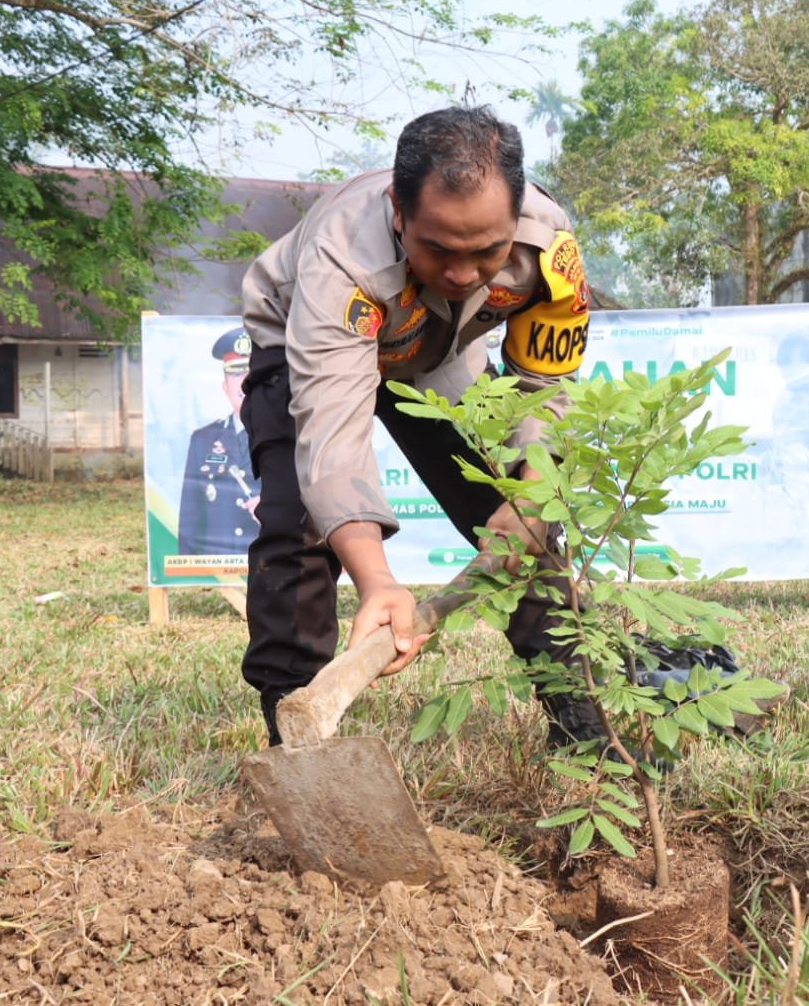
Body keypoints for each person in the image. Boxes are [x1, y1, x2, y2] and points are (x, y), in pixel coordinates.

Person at [239, 105, 602, 749]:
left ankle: (582, 723)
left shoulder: (551, 251)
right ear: (399, 212)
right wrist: (377, 581)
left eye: (485, 252)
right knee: (298, 528)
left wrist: (534, 489)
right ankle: (296, 729)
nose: (463, 275)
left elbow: (544, 388)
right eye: (438, 249)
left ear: (515, 219)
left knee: (522, 521)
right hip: (303, 342)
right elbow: (332, 441)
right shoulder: (342, 258)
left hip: (435, 355)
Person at [177, 327, 261, 556]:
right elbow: (190, 516)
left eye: (250, 372)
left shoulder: (288, 437)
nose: (243, 381)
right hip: (216, 564)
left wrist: (274, 508)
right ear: (225, 387)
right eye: (235, 373)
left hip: (271, 562)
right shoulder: (202, 440)